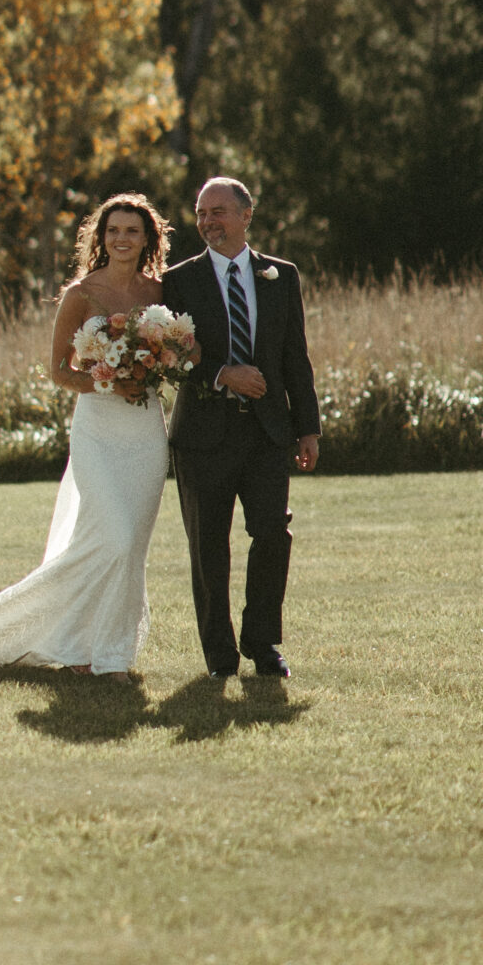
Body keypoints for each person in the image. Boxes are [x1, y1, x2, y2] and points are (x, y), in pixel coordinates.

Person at [0, 194, 188, 676]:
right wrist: (109, 379)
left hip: (145, 430)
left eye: (132, 231)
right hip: (98, 427)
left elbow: (179, 353)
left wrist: (160, 366)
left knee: (130, 546)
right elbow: (59, 371)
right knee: (112, 535)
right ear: (101, 237)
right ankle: (63, 642)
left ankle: (108, 655)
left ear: (148, 238)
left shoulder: (160, 295)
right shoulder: (80, 294)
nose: (122, 239)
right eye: (113, 231)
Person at [161, 175, 320, 679]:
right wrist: (221, 373)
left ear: (246, 216)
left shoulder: (282, 276)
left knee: (273, 534)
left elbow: (296, 355)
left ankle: (262, 643)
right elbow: (168, 358)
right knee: (209, 547)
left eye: (219, 211)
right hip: (202, 437)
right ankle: (219, 657)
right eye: (202, 213)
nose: (208, 221)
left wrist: (308, 428)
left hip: (268, 433)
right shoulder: (178, 280)